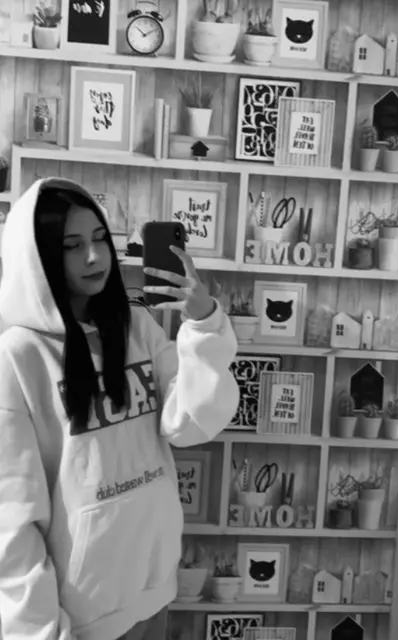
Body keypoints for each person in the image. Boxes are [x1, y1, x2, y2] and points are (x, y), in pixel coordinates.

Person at [0, 178, 239, 640]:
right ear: (39, 256)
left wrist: (204, 323)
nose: (94, 256)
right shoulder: (18, 357)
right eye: (72, 246)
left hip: (153, 590)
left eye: (99, 239)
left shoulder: (135, 326)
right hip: (78, 617)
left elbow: (189, 423)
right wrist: (39, 630)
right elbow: (11, 517)